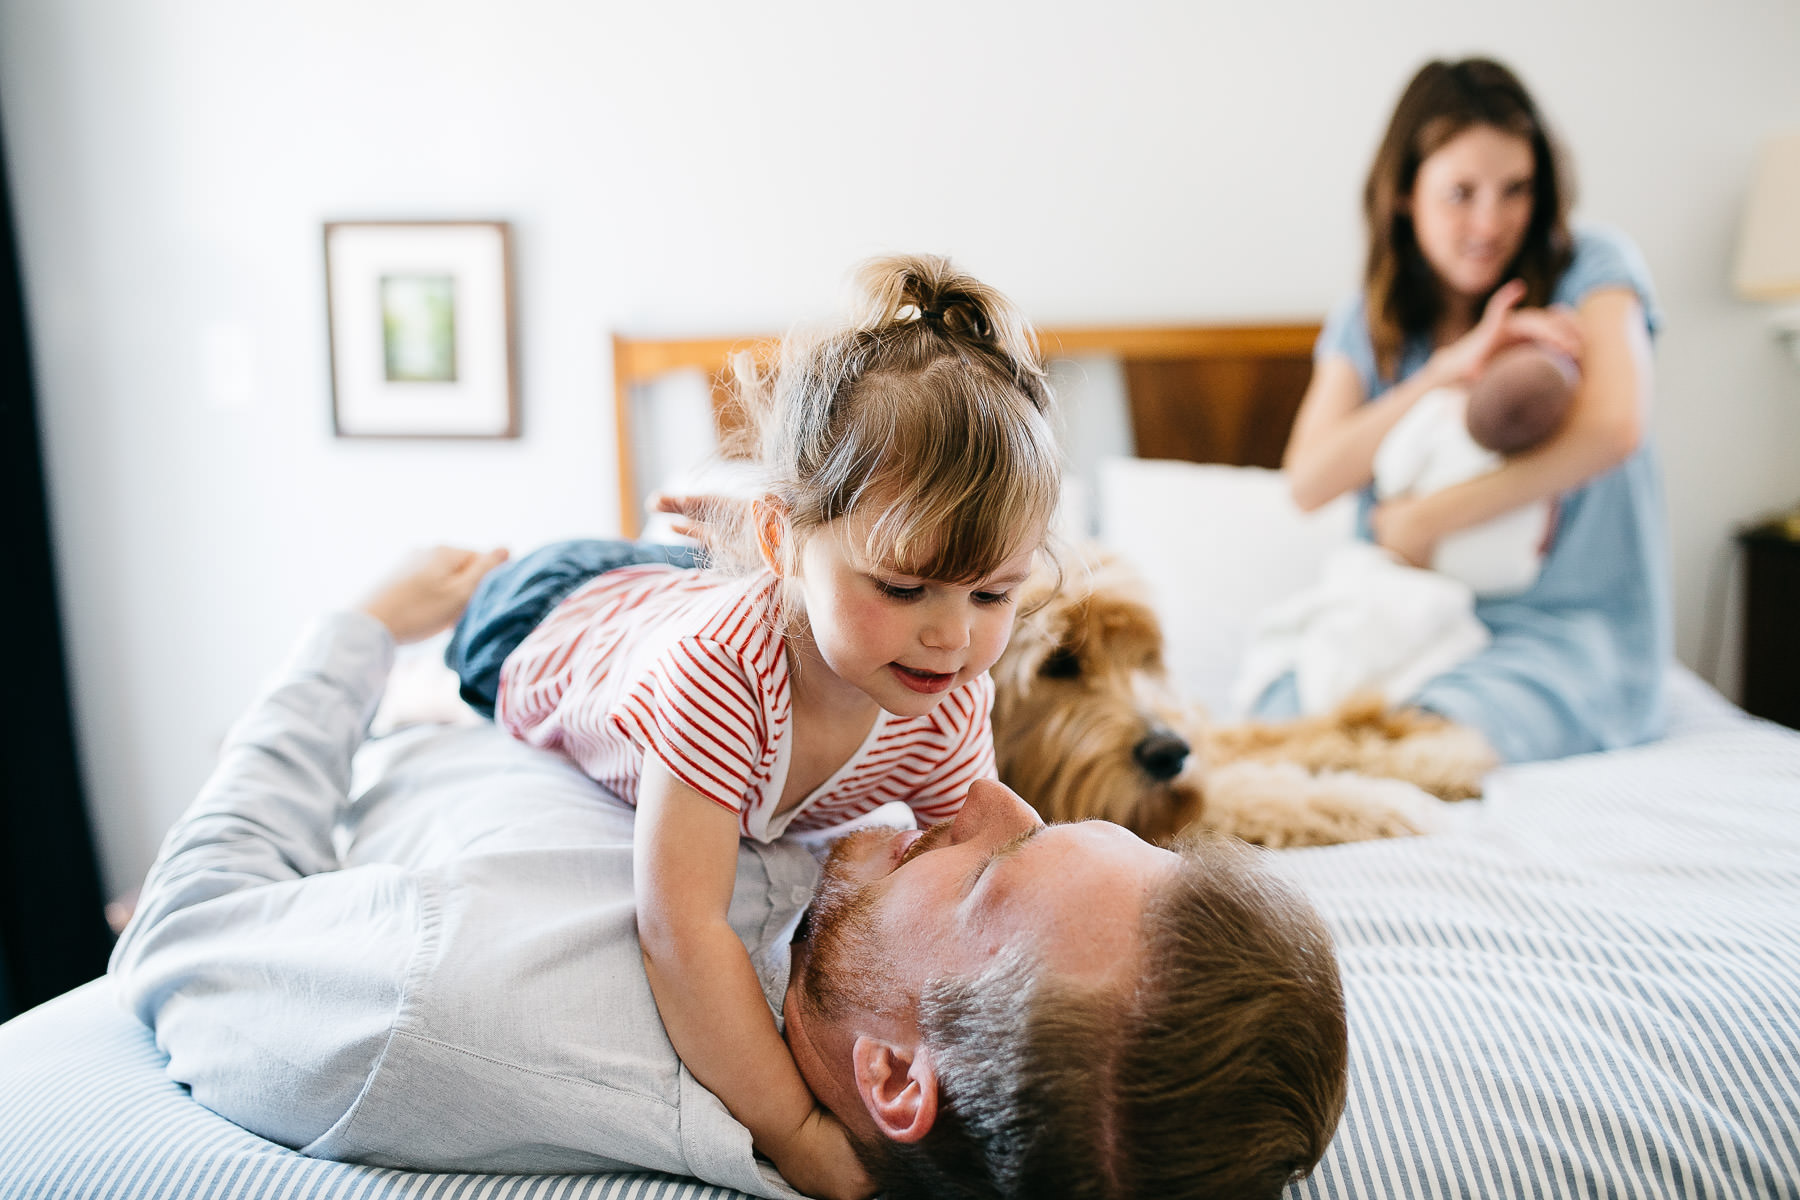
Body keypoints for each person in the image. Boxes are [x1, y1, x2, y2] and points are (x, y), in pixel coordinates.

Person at [108, 546, 1350, 1200]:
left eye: (993, 876)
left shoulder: (442, 1007)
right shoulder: (877, 898)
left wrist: (359, 636)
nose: (983, 805)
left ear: (892, 1078)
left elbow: (177, 933)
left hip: (455, 684)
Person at [444, 254, 1063, 1198]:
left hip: (724, 585)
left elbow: (985, 852)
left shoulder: (946, 693)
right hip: (554, 615)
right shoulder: (724, 682)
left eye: (993, 592)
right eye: (903, 586)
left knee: (743, 581)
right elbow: (682, 929)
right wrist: (797, 1128)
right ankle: (464, 586)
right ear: (793, 542)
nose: (951, 635)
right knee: (473, 615)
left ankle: (729, 534)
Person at [1264, 56, 1670, 762]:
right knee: (1278, 708)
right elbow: (1308, 481)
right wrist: (1448, 371)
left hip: (1562, 636)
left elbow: (1615, 427)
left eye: (1515, 190)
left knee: (1415, 740)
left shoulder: (1593, 268)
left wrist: (1427, 519)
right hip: (1413, 624)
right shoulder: (1371, 321)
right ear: (1404, 195)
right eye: (1461, 193)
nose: (1491, 222)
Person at [1375, 339, 1578, 596]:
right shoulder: (1536, 467)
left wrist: (1392, 499)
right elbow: (1544, 534)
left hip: (1422, 560)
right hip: (1502, 579)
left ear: (1479, 375)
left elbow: (1391, 471)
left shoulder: (1440, 409)